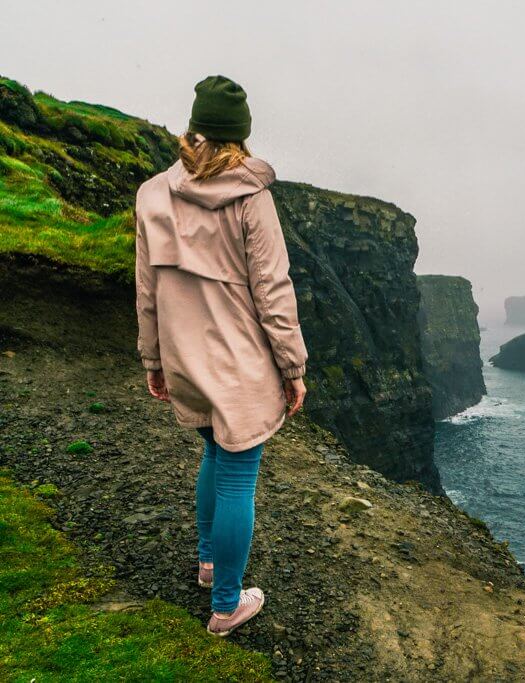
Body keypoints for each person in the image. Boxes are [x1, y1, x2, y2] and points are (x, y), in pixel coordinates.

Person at [134, 75, 308, 637]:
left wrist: (153, 359)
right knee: (237, 477)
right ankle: (227, 605)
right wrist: (292, 366)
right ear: (241, 136)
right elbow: (273, 289)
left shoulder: (152, 193)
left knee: (213, 453)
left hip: (185, 358)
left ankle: (209, 563)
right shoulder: (251, 197)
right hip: (238, 366)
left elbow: (146, 289)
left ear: (194, 128)